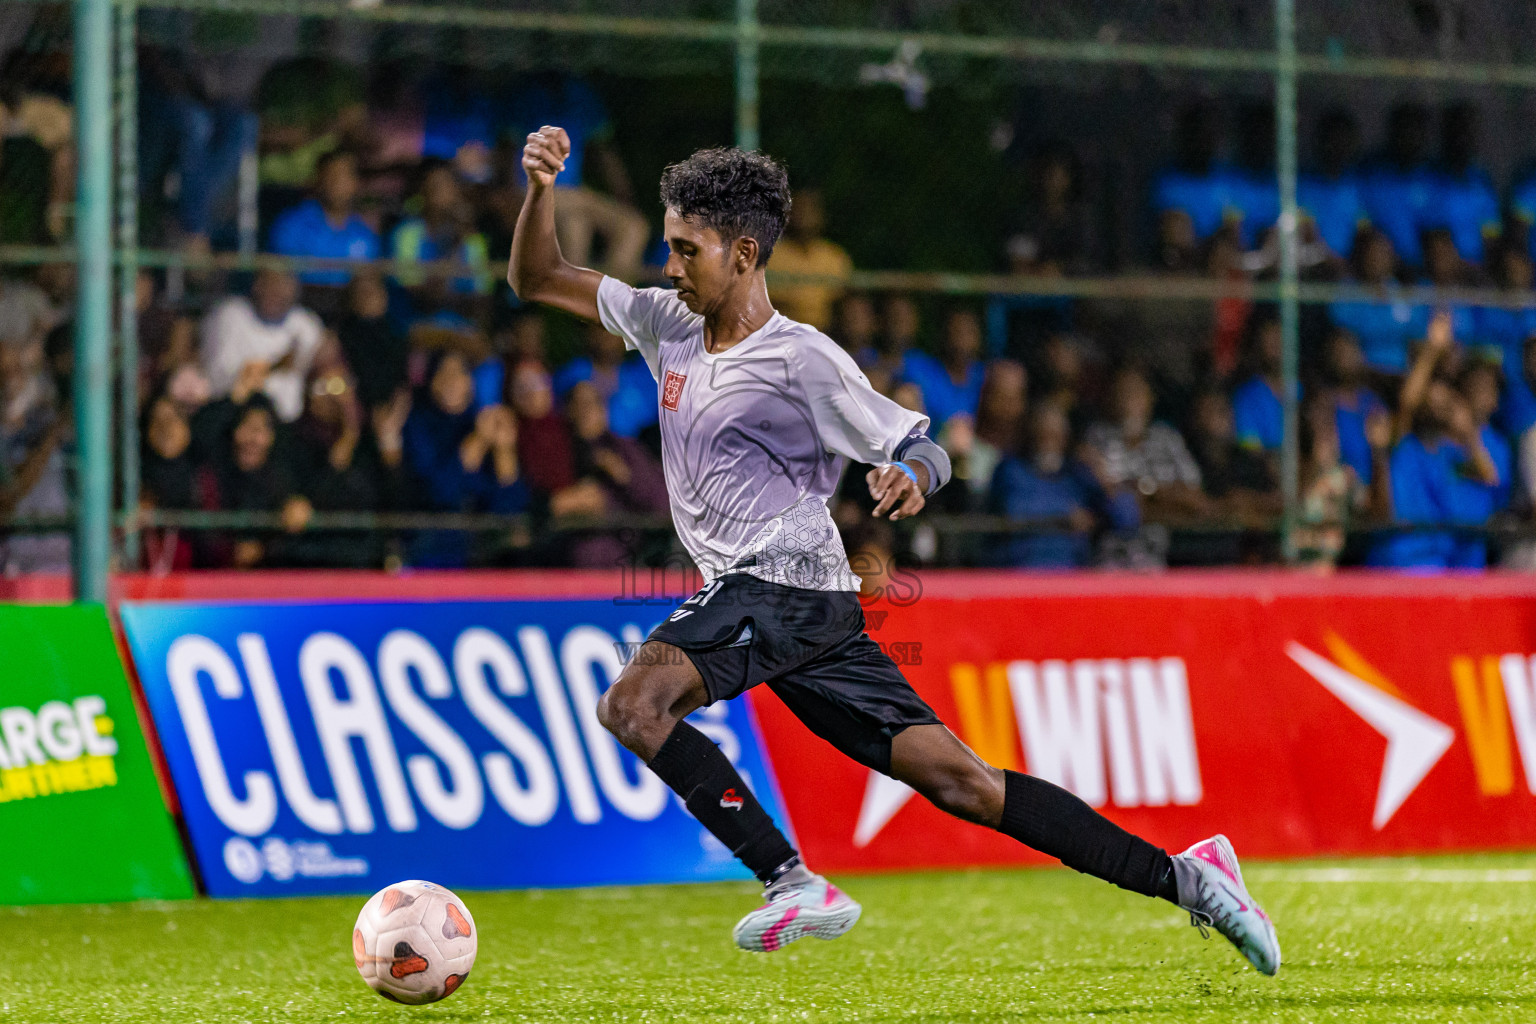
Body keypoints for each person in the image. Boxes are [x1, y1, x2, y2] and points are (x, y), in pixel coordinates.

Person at [509, 128, 1280, 972]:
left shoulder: (801, 359)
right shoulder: (669, 326)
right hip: (799, 607)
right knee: (968, 785)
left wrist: (913, 475)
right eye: (667, 248)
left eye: (685, 251)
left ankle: (790, 880)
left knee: (633, 703)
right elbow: (537, 278)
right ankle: (1191, 879)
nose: (669, 267)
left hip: (786, 582)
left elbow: (921, 441)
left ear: (742, 251)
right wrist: (542, 187)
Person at [989, 403, 1139, 568]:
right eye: (1042, 434)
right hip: (1022, 568)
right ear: (1030, 435)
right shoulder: (1012, 469)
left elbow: (1128, 520)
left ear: (1066, 438)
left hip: (1070, 573)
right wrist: (1065, 515)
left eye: (1056, 435)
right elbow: (1015, 509)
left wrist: (1103, 477)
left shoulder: (1077, 474)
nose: (1049, 443)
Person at [199, 269, 326, 423]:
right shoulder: (229, 315)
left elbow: (322, 380)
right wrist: (276, 366)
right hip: (230, 416)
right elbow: (217, 376)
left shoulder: (307, 325)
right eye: (271, 285)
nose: (276, 293)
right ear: (257, 286)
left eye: (283, 289)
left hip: (283, 424)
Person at [268, 149, 381, 292]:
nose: (336, 184)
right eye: (331, 176)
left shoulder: (364, 233)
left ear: (355, 183)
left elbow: (367, 277)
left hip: (345, 302)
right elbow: (280, 276)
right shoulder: (291, 223)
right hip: (299, 301)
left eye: (343, 177)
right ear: (318, 180)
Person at [766, 187, 853, 331]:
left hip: (828, 333)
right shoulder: (770, 255)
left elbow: (842, 301)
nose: (804, 215)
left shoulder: (834, 256)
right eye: (799, 209)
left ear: (821, 215)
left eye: (810, 209)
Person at [899, 307, 986, 431]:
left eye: (969, 333)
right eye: (956, 332)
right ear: (944, 336)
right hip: (927, 445)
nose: (961, 341)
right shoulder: (921, 371)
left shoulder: (984, 377)